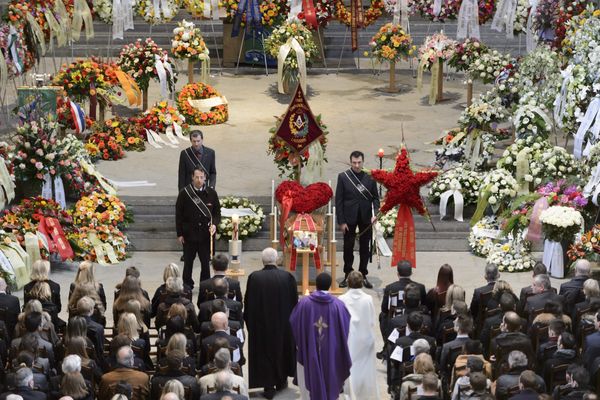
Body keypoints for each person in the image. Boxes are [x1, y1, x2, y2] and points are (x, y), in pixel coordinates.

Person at [243, 248, 297, 399]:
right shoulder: (287, 277)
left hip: (261, 325)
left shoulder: (255, 278)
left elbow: (249, 303)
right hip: (283, 324)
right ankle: (281, 380)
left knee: (264, 352)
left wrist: (250, 323)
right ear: (276, 260)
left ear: (263, 260)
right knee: (282, 349)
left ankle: (268, 385)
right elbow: (294, 302)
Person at [290, 272, 352, 400]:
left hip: (309, 350)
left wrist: (302, 341)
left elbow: (294, 322)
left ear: (316, 286)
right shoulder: (338, 305)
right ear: (330, 286)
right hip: (331, 351)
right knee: (330, 375)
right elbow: (345, 328)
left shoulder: (304, 303)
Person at [335, 150, 380, 289]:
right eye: (354, 162)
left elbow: (375, 198)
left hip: (366, 216)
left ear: (363, 161)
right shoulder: (343, 177)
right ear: (350, 162)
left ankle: (363, 274)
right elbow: (339, 201)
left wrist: (376, 213)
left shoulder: (370, 177)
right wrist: (341, 221)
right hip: (348, 218)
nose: (356, 165)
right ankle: (348, 274)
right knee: (348, 247)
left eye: (359, 162)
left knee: (365, 248)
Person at [176, 167, 221, 287]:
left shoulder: (212, 193)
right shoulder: (185, 193)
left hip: (205, 236)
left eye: (201, 177)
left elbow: (217, 213)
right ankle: (187, 285)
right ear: (192, 177)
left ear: (205, 178)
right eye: (197, 177)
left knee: (206, 264)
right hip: (189, 235)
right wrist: (179, 233)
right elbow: (178, 215)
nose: (199, 180)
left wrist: (214, 225)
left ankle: (205, 285)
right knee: (188, 263)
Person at [339, 271, 380, 400]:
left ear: (348, 283)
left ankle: (350, 393)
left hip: (350, 337)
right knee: (364, 367)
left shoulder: (342, 299)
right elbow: (372, 320)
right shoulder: (368, 299)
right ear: (362, 283)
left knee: (351, 367)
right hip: (365, 336)